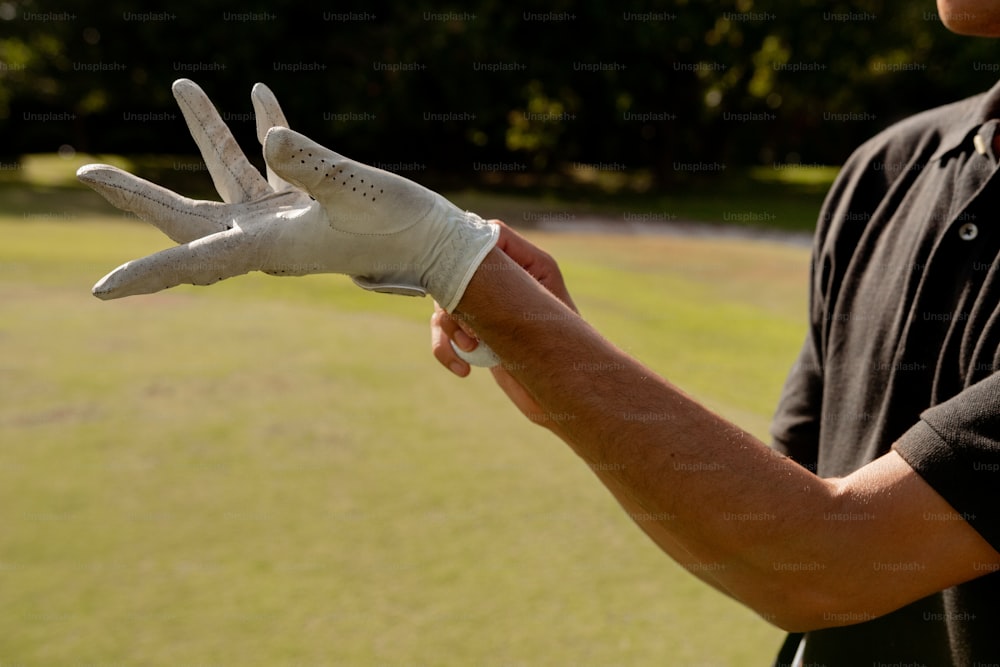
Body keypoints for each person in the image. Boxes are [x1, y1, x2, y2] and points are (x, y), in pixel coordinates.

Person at [78, 2, 999, 662]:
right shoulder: (890, 170)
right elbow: (768, 512)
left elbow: (821, 561)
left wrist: (452, 257)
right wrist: (546, 345)